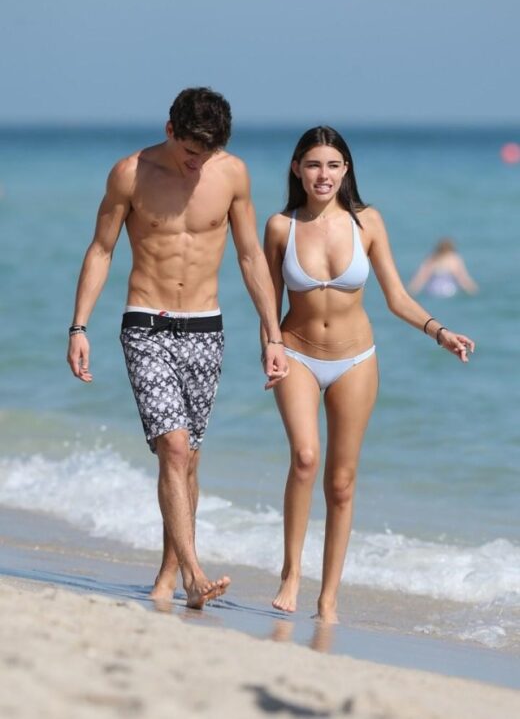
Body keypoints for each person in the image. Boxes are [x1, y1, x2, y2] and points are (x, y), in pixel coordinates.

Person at [67, 87, 288, 609]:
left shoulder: (232, 174)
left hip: (206, 327)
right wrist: (79, 327)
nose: (197, 165)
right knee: (173, 446)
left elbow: (251, 256)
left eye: (207, 154)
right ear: (170, 131)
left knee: (188, 459)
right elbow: (101, 249)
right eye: (190, 152)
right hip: (146, 323)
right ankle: (194, 573)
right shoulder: (130, 174)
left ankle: (168, 575)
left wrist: (272, 335)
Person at [263, 126, 475, 623]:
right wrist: (270, 347)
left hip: (356, 360)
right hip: (296, 354)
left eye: (333, 165)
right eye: (314, 164)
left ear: (346, 170)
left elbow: (396, 296)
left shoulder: (368, 222)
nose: (324, 174)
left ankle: (328, 598)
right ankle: (291, 572)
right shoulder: (280, 226)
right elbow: (268, 302)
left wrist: (439, 331)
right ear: (297, 169)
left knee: (341, 482)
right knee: (305, 459)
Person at [408, 238, 479, 297]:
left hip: (432, 290)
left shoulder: (432, 258)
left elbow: (420, 278)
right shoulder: (453, 259)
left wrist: (410, 291)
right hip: (449, 289)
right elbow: (462, 278)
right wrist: (473, 290)